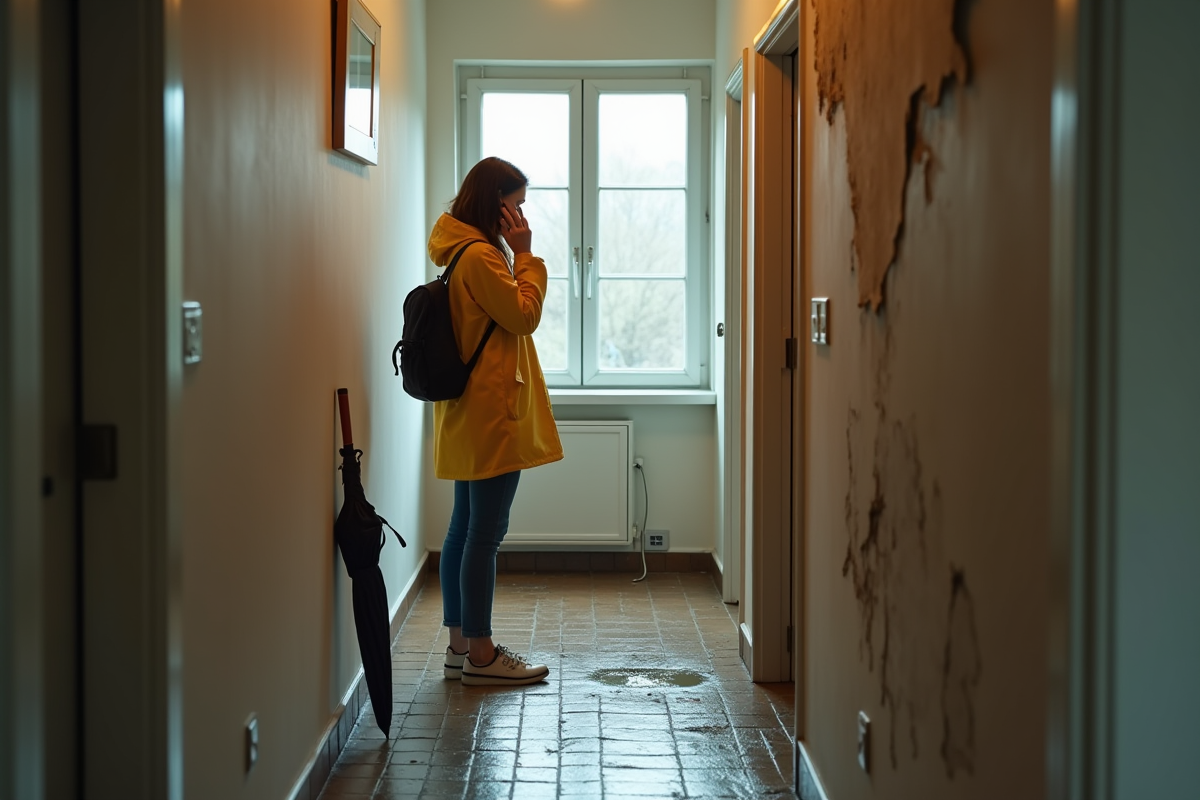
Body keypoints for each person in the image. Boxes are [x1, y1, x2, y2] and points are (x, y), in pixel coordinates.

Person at [428, 156, 564, 686]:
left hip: (469, 411)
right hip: (492, 411)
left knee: (463, 530)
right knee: (483, 534)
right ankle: (482, 656)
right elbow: (523, 315)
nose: (522, 217)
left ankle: (461, 644)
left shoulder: (459, 250)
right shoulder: (481, 256)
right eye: (518, 205)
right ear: (496, 204)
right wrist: (528, 257)